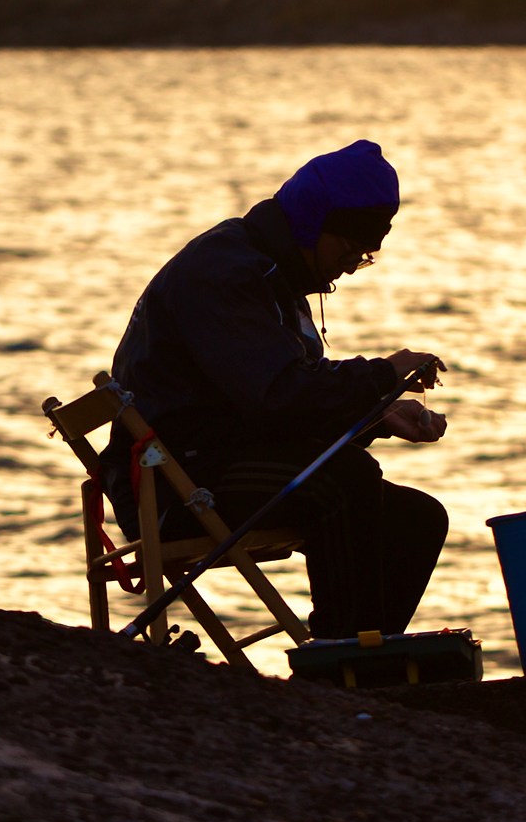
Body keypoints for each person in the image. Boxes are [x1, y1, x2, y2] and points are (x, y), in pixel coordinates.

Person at [102, 139, 448, 641]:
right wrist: (383, 375)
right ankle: (338, 657)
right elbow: (279, 399)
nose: (353, 265)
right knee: (344, 480)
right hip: (177, 483)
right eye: (350, 248)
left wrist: (378, 415)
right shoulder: (226, 273)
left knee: (417, 519)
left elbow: (288, 403)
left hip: (225, 458)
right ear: (311, 222)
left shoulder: (272, 273)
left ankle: (367, 658)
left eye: (366, 254)